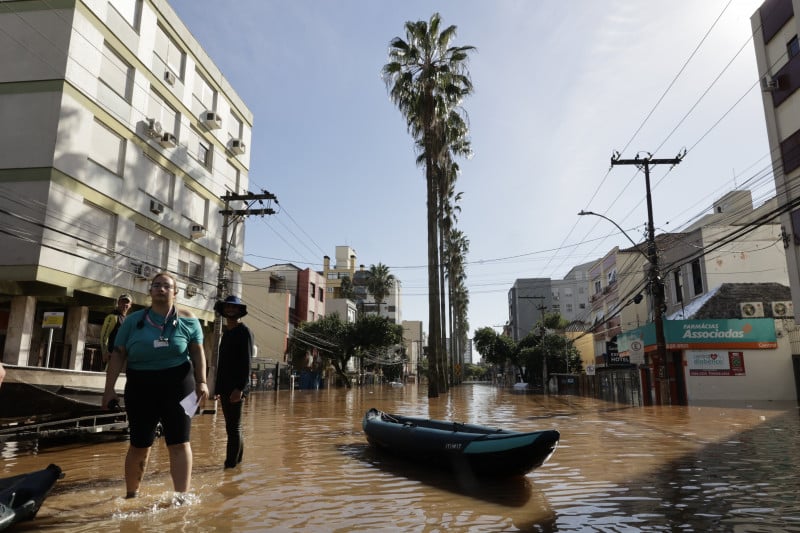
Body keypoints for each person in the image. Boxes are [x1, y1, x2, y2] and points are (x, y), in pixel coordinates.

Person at [102, 272, 208, 498]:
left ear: (175, 292)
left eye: (167, 286)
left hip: (180, 384)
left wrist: (202, 382)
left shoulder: (189, 320)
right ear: (149, 291)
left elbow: (198, 352)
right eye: (156, 285)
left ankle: (181, 498)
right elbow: (118, 354)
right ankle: (132, 495)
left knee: (180, 442)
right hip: (141, 385)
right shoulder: (132, 320)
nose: (161, 289)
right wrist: (109, 390)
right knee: (140, 444)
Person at [213, 295, 253, 469]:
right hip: (224, 387)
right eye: (228, 307)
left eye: (233, 308)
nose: (230, 310)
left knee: (234, 427)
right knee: (233, 427)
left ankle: (229, 466)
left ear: (239, 311)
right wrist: (217, 389)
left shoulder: (244, 332)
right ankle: (237, 463)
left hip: (236, 388)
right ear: (223, 310)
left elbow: (247, 363)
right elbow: (222, 364)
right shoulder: (227, 333)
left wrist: (240, 388)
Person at [100, 293, 133, 365]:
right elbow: (104, 336)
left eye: (127, 302)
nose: (124, 304)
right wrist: (105, 352)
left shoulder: (128, 320)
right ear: (118, 303)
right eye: (122, 302)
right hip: (112, 357)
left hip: (123, 358)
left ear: (130, 305)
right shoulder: (112, 317)